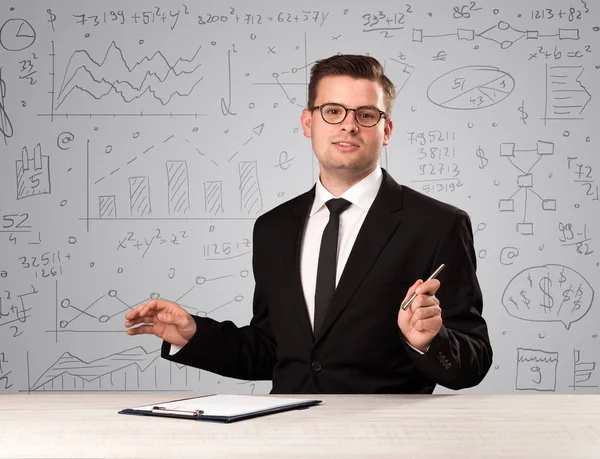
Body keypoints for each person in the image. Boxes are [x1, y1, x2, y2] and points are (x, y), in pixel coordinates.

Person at [125, 54, 493, 394]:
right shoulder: (273, 228)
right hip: (285, 434)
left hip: (385, 438)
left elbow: (473, 361)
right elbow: (274, 351)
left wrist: (428, 341)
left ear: (388, 129)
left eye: (366, 115)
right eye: (333, 111)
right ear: (308, 122)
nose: (349, 125)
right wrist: (193, 335)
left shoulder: (438, 225)